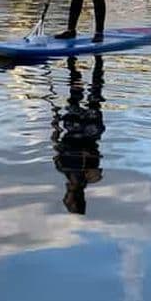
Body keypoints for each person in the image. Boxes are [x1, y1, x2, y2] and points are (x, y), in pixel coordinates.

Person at [52, 55, 106, 214]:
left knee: (76, 95)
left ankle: (74, 61)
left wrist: (55, 121)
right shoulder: (92, 176)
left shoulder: (63, 168)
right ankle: (97, 60)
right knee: (93, 94)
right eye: (67, 199)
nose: (65, 196)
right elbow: (96, 157)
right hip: (88, 133)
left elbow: (56, 143)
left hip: (75, 130)